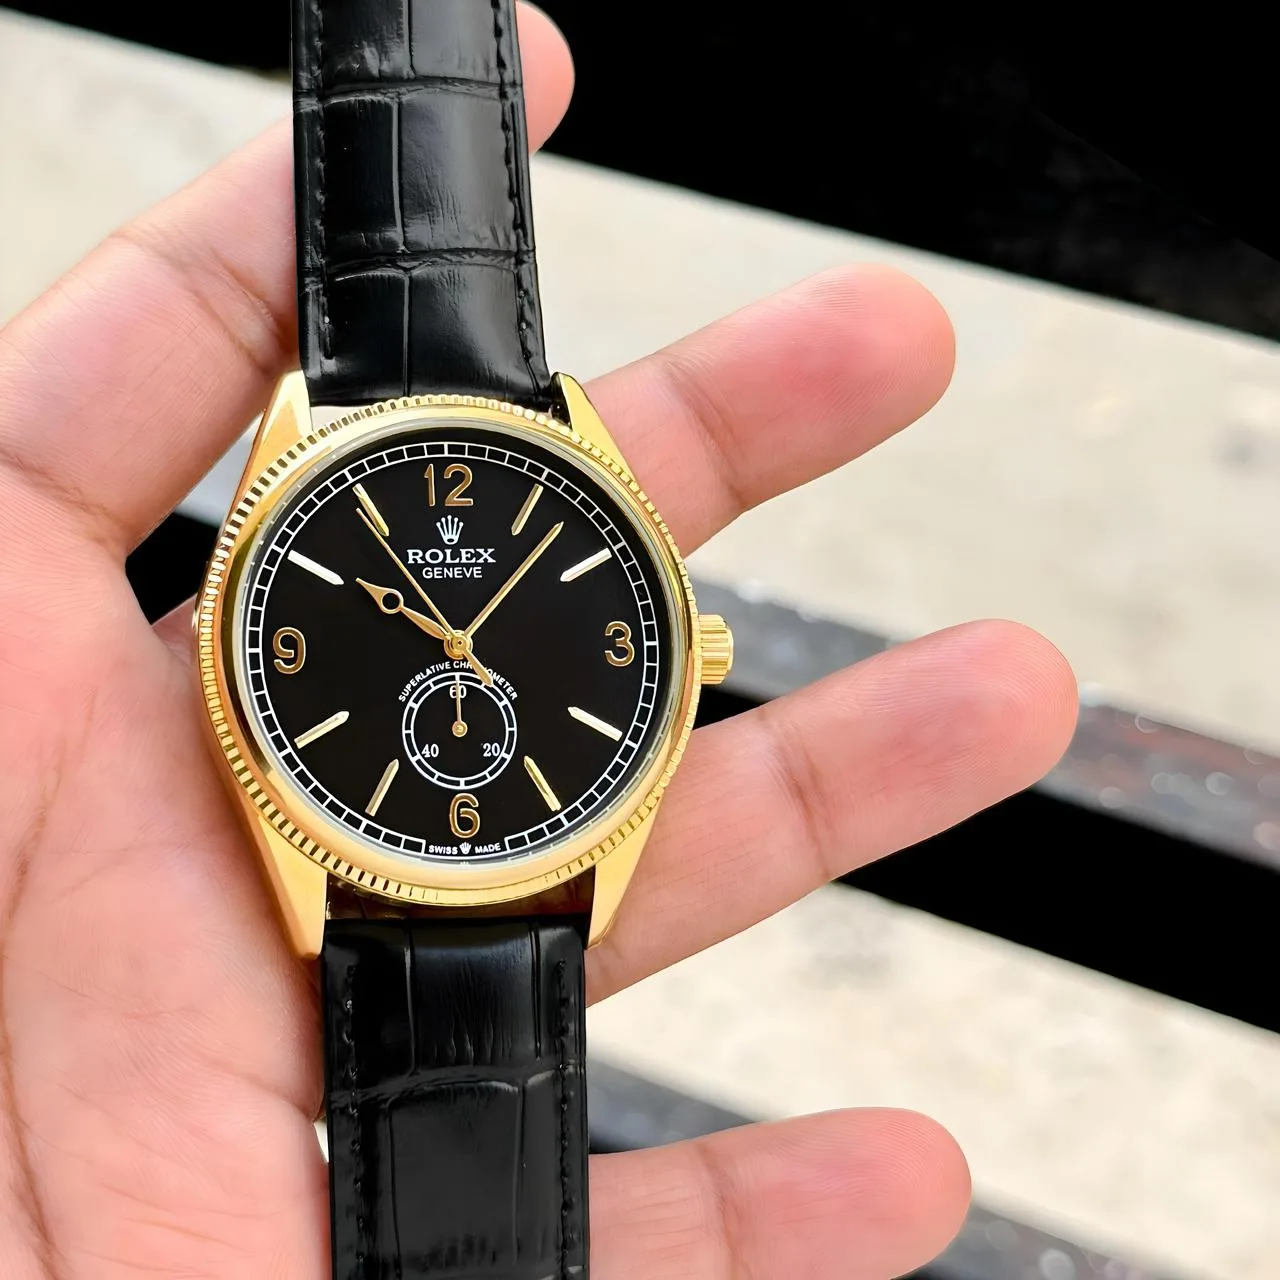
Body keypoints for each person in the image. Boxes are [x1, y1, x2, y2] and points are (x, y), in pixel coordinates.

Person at [0, 8, 1076, 1277]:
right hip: (369, 854)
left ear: (681, 648)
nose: (455, 645)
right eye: (443, 633)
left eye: (465, 635)